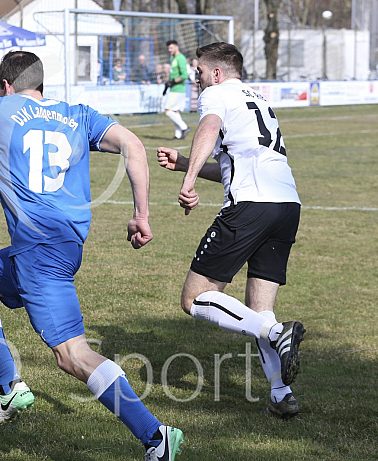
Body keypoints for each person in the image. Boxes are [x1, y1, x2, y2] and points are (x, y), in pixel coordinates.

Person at [0, 50, 184, 461]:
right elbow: (133, 145)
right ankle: (11, 387)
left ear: (6, 86)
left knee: (73, 355)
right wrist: (141, 213)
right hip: (54, 242)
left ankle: (156, 436)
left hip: (40, 249)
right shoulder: (77, 114)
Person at [156, 42, 306, 419]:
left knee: (195, 298)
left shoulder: (216, 94)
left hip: (249, 204)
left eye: (200, 72)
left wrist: (188, 181)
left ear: (217, 73)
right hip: (286, 204)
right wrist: (186, 164)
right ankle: (281, 393)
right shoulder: (257, 98)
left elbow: (209, 127)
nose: (197, 79)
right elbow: (234, 160)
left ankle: (276, 335)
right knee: (261, 309)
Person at [163, 40, 190, 139]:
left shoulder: (180, 58)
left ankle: (184, 127)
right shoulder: (174, 58)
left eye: (171, 48)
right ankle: (178, 135)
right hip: (175, 88)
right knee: (175, 112)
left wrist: (173, 82)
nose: (169, 50)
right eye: (168, 48)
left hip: (177, 89)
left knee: (167, 110)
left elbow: (184, 75)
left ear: (176, 47)